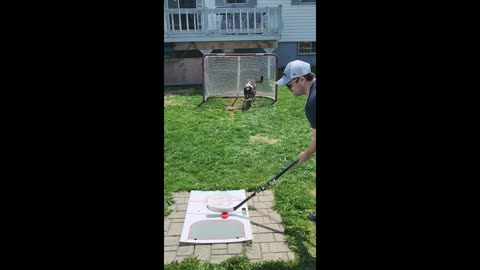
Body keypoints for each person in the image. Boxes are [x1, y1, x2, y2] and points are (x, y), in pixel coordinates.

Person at [276, 60, 316, 222]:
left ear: (301, 79)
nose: (289, 89)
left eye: (289, 85)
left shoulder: (312, 103)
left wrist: (306, 154)